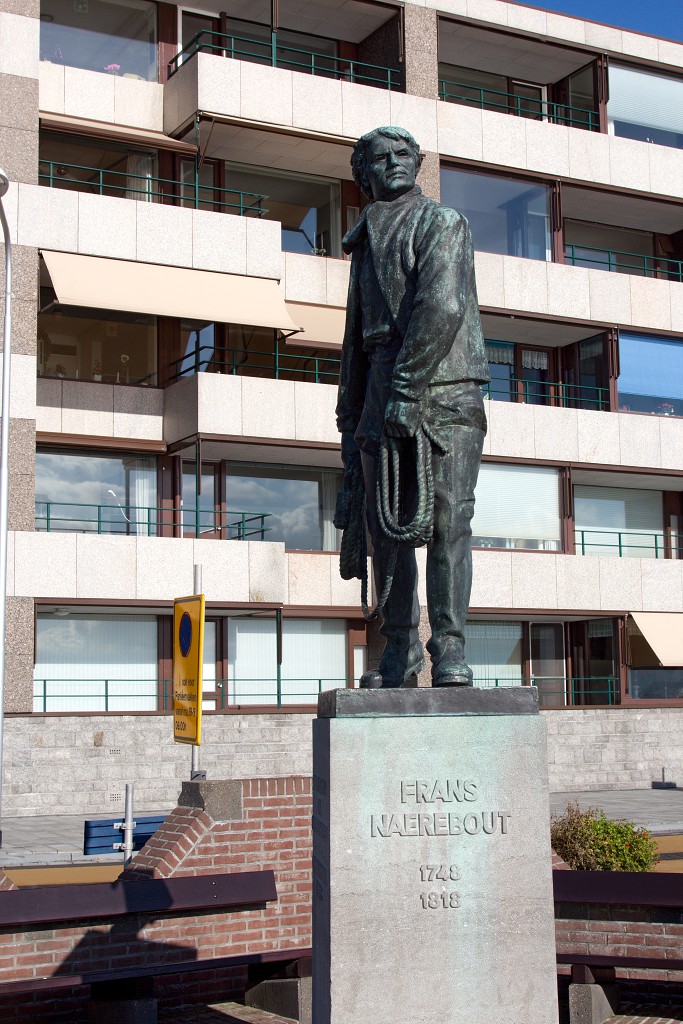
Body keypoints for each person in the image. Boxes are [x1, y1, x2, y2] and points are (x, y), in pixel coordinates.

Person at [336, 126, 490, 688]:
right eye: (380, 158)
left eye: (403, 154)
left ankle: (449, 648)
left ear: (417, 164)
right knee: (386, 530)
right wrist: (349, 417)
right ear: (364, 175)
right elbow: (355, 339)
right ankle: (399, 650)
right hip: (382, 387)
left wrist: (404, 390)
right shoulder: (365, 239)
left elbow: (441, 306)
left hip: (445, 386)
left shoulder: (442, 222)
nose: (394, 163)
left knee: (449, 519)